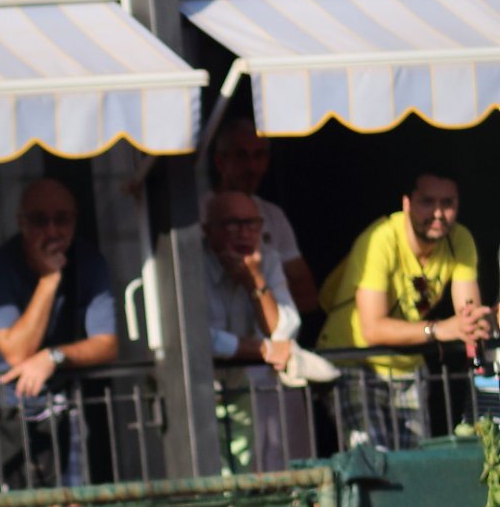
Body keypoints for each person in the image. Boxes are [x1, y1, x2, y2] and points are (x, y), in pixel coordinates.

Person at [317, 171, 491, 450]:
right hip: (354, 362)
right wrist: (439, 329)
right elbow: (372, 329)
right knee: (376, 464)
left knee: (414, 469)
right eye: (427, 202)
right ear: (406, 203)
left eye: (448, 203)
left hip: (407, 367)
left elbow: (467, 317)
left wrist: (483, 321)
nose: (438, 213)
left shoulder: (460, 239)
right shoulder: (381, 238)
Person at [0, 176, 117, 490]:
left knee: (68, 504)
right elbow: (17, 354)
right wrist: (50, 279)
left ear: (74, 221)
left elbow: (107, 344)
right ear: (21, 223)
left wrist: (54, 356)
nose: (52, 230)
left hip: (55, 399)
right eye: (39, 220)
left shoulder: (89, 262)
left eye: (61, 219)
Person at [203, 191, 301, 474]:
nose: (244, 234)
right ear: (208, 230)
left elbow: (283, 330)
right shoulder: (190, 262)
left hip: (239, 386)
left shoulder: (264, 259)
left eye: (252, 224)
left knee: (243, 472)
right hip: (197, 387)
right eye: (233, 225)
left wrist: (255, 280)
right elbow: (198, 337)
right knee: (211, 475)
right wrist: (262, 350)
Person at [206, 116, 319, 317]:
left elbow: (305, 295)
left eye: (259, 156)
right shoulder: (197, 213)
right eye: (241, 156)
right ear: (220, 161)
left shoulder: (273, 225)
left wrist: (259, 284)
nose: (251, 167)